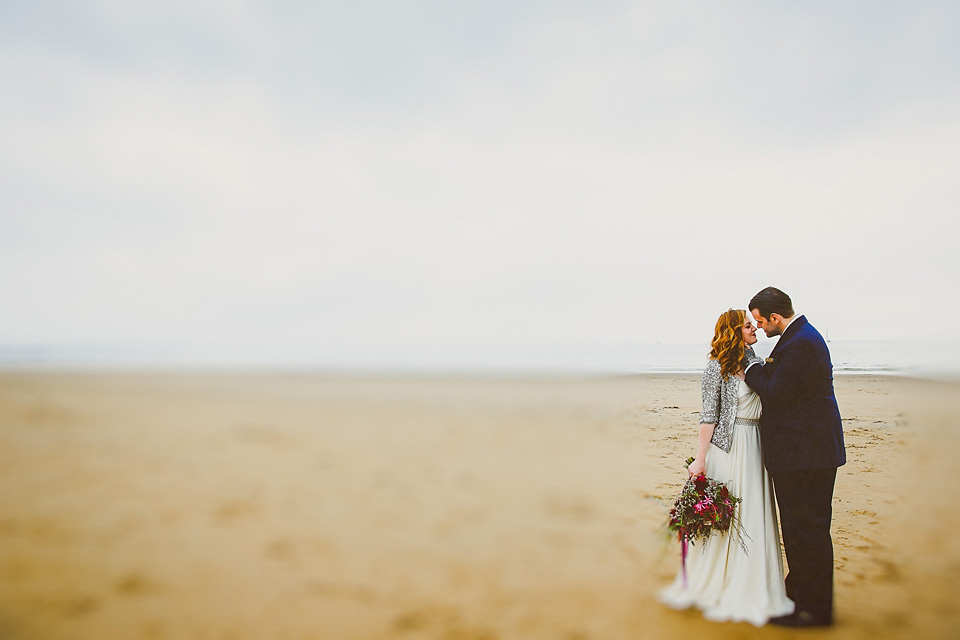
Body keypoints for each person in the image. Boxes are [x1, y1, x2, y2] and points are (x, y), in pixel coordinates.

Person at [659, 309, 795, 626]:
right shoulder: (715, 368)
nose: (756, 329)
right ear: (734, 331)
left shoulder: (759, 364)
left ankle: (754, 583)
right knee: (726, 518)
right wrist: (701, 459)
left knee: (755, 514)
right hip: (727, 448)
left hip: (757, 446)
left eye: (755, 324)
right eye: (749, 326)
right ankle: (717, 583)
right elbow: (709, 416)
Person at [743, 287, 846, 627]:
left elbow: (774, 391)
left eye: (760, 321)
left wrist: (748, 366)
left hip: (808, 455)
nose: (759, 328)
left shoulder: (800, 343)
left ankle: (815, 612)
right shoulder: (797, 338)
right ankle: (799, 597)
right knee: (802, 531)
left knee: (808, 532)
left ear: (775, 317)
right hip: (805, 453)